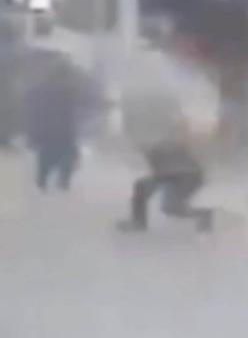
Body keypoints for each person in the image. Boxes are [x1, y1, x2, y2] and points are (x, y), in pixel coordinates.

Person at [116, 28, 217, 233]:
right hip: (182, 169)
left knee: (156, 195)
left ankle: (203, 219)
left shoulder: (157, 111)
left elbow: (176, 122)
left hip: (182, 170)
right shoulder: (154, 97)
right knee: (161, 198)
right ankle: (203, 219)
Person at [23, 53, 102, 191]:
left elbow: (32, 104)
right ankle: (63, 180)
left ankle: (43, 178)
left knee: (47, 156)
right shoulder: (70, 88)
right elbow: (85, 101)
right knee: (67, 156)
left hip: (48, 129)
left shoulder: (43, 87)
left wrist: (33, 130)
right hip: (65, 129)